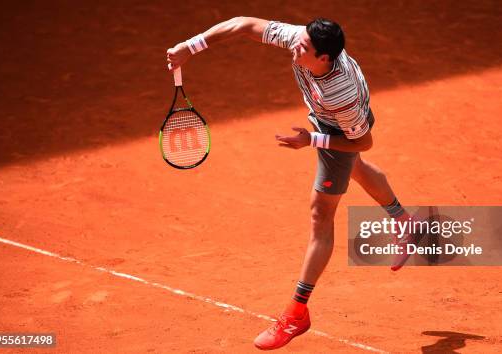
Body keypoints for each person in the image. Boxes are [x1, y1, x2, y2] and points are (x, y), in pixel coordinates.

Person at [167, 17, 413, 350]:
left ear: (324, 58)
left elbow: (361, 142)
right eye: (301, 39)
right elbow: (243, 24)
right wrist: (190, 47)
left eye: (305, 47)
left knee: (320, 215)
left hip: (341, 130)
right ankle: (404, 221)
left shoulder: (341, 93)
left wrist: (314, 140)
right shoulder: (301, 40)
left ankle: (297, 313)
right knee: (357, 169)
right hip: (337, 118)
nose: (297, 45)